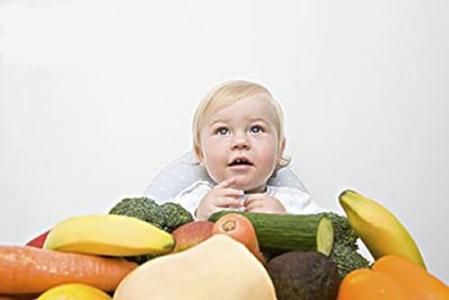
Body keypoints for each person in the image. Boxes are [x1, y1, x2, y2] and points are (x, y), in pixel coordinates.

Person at [169, 79, 323, 220]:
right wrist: (199, 218)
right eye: (223, 131)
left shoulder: (293, 202)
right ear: (200, 152)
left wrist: (286, 222)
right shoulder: (194, 200)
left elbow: (332, 237)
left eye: (256, 129)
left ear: (279, 151)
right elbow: (161, 237)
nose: (240, 142)